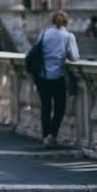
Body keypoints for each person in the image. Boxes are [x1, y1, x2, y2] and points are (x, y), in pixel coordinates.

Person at [33, 10, 80, 146]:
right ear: (66, 22)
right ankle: (52, 135)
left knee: (46, 106)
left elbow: (37, 50)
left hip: (42, 76)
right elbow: (74, 57)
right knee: (59, 108)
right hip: (58, 76)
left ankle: (45, 135)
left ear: (52, 21)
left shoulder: (44, 34)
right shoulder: (68, 36)